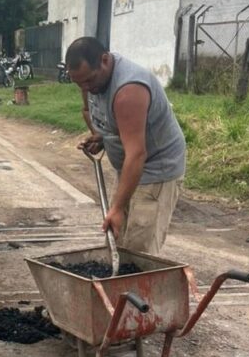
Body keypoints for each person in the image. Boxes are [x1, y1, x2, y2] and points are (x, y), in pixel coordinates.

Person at [66, 36, 186, 255]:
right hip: (130, 167)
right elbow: (94, 112)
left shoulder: (129, 91)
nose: (86, 88)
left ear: (104, 60)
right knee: (116, 245)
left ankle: (139, 288)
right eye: (79, 83)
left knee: (138, 253)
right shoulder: (90, 80)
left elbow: (137, 153)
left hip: (156, 168)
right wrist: (101, 137)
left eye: (89, 81)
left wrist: (118, 207)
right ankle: (118, 288)